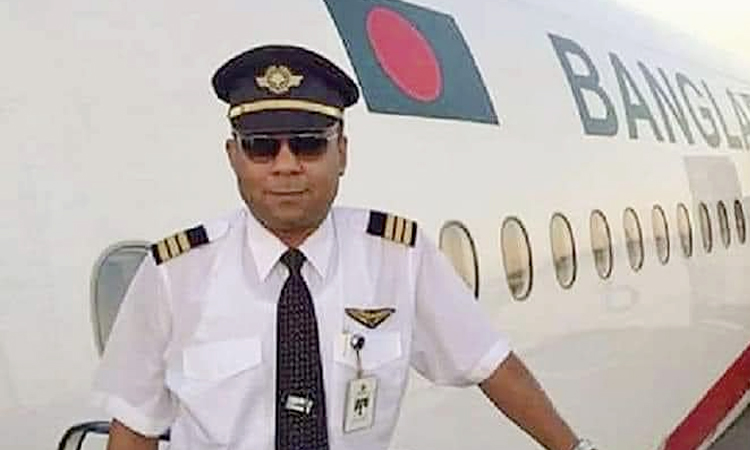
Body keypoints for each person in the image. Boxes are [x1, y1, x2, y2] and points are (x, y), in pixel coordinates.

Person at [93, 44, 596, 450]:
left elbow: (490, 364)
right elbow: (136, 426)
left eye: (308, 143)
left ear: (343, 152)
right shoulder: (174, 273)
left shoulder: (398, 257)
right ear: (233, 156)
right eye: (261, 146)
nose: (285, 165)